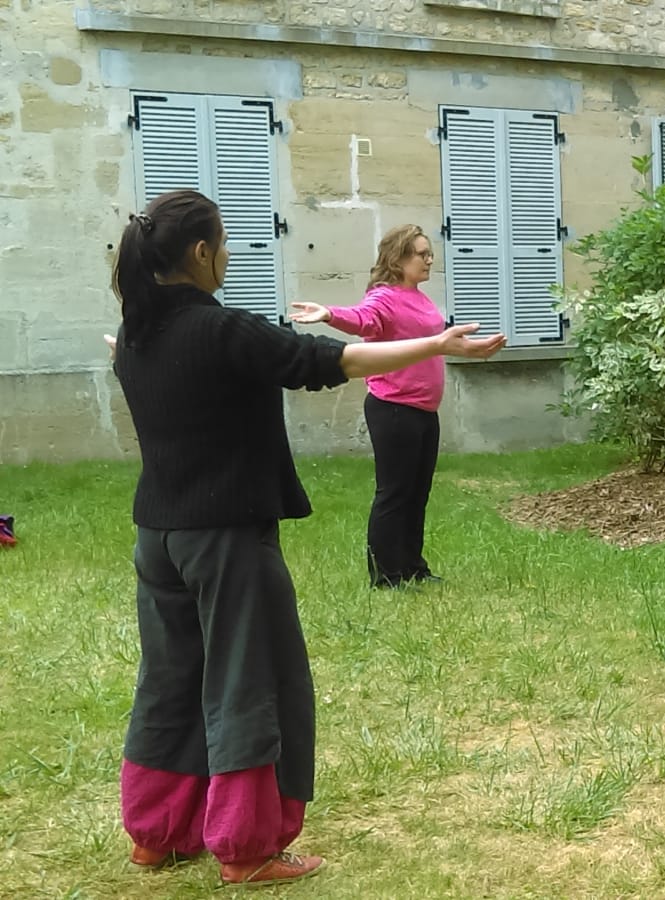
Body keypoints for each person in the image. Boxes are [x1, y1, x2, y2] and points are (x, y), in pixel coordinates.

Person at [110, 190, 505, 885]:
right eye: (223, 244)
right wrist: (439, 343)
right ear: (200, 254)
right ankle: (247, 846)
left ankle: (158, 833)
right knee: (250, 683)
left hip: (158, 540)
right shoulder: (222, 329)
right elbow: (334, 362)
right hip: (227, 540)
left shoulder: (138, 334)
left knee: (168, 682)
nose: (229, 255)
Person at [288, 225, 450, 588]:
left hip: (425, 410)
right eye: (421, 254)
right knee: (394, 492)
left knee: (417, 492)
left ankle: (412, 567)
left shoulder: (419, 296)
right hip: (393, 408)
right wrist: (329, 313)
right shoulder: (384, 296)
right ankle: (386, 574)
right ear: (399, 257)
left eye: (429, 254)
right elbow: (363, 318)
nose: (428, 260)